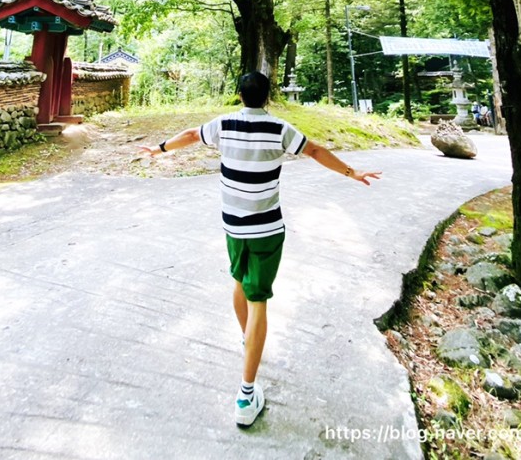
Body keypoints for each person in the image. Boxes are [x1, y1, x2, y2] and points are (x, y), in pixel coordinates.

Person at [139, 70, 381, 428]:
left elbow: (190, 135)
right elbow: (315, 150)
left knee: (239, 282)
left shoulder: (224, 125)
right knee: (258, 302)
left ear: (239, 95)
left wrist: (158, 149)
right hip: (267, 230)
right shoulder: (280, 129)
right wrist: (352, 172)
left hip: (234, 228)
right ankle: (246, 394)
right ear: (268, 97)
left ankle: (248, 340)